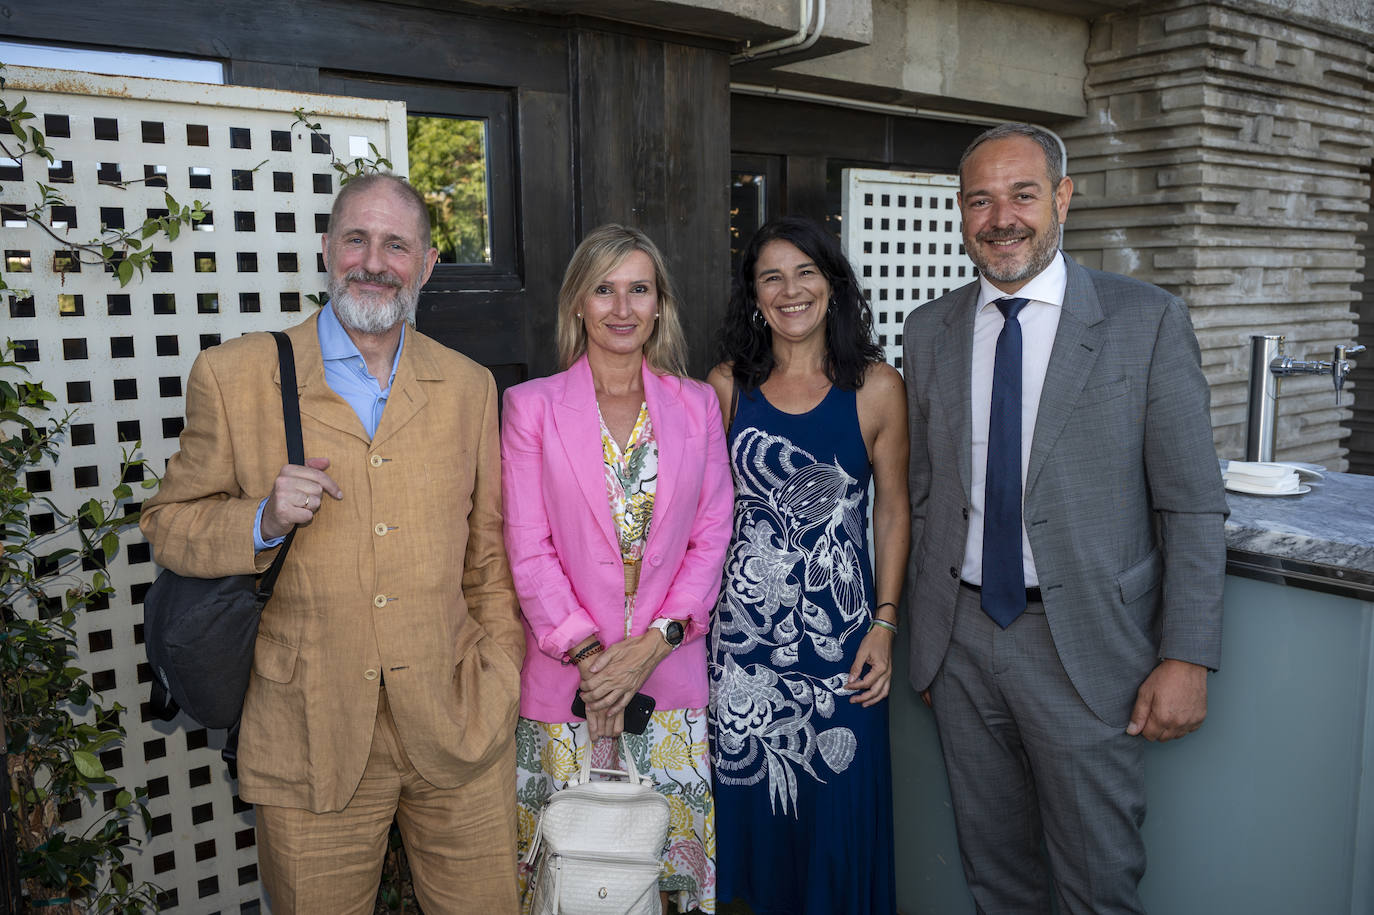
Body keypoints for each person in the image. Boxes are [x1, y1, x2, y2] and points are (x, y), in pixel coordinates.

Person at [140, 174, 525, 914]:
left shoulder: (469, 386)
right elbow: (167, 520)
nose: (373, 260)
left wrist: (498, 670)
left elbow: (487, 554)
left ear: (427, 264)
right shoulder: (234, 376)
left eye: (395, 244)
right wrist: (260, 519)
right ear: (326, 249)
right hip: (308, 734)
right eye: (356, 238)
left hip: (458, 724)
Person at [903, 122, 1228, 913]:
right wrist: (925, 633)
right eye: (980, 199)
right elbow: (923, 490)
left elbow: (1190, 502)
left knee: (1098, 883)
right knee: (996, 877)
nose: (1001, 217)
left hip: (1085, 648)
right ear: (961, 211)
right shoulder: (928, 329)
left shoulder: (1145, 321)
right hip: (963, 642)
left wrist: (1188, 654)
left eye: (1022, 193)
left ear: (1062, 198)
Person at [500, 224, 733, 913]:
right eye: (604, 289)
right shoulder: (530, 407)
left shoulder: (696, 406)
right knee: (573, 878)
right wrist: (598, 662)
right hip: (567, 685)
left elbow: (712, 532)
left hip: (671, 675)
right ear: (578, 303)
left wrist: (654, 641)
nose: (622, 307)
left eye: (639, 288)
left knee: (663, 881)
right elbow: (526, 544)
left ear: (660, 304)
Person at [707, 215, 909, 915]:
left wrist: (885, 623)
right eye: (772, 276)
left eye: (806, 273)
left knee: (836, 825)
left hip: (844, 648)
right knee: (753, 833)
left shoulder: (878, 386)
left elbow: (892, 510)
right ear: (754, 295)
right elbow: (701, 516)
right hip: (742, 650)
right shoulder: (727, 386)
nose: (790, 290)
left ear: (833, 286)